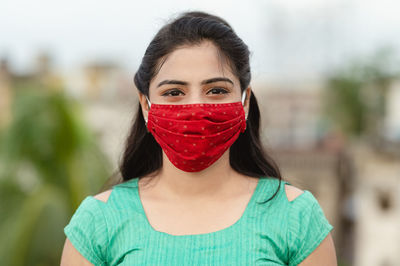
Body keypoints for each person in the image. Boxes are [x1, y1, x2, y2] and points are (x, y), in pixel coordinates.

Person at [60, 10, 337, 266]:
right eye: (174, 92)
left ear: (245, 102)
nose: (195, 108)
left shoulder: (296, 217)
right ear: (146, 104)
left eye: (216, 91)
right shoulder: (98, 223)